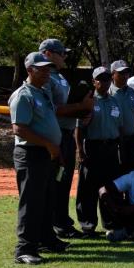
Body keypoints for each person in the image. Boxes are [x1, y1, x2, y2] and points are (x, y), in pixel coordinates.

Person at [10, 52, 66, 264]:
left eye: (48, 69)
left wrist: (55, 149)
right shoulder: (23, 95)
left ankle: (46, 239)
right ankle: (24, 249)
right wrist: (48, 144)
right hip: (30, 154)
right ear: (29, 70)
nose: (46, 72)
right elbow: (19, 129)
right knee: (31, 202)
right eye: (41, 68)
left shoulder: (42, 93)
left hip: (46, 153)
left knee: (46, 199)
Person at [39, 38, 93, 239]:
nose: (65, 57)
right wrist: (80, 108)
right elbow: (51, 110)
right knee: (56, 182)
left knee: (64, 182)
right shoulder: (45, 79)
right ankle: (56, 225)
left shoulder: (59, 77)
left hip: (67, 136)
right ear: (48, 54)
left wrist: (82, 113)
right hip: (56, 137)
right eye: (62, 53)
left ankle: (62, 222)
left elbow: (67, 107)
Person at [75, 66, 123, 235]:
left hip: (111, 148)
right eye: (100, 79)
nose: (104, 82)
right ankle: (87, 225)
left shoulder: (115, 101)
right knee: (88, 188)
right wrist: (80, 151)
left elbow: (120, 127)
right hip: (92, 148)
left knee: (110, 187)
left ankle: (109, 223)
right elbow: (79, 129)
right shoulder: (88, 100)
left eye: (107, 79)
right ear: (93, 82)